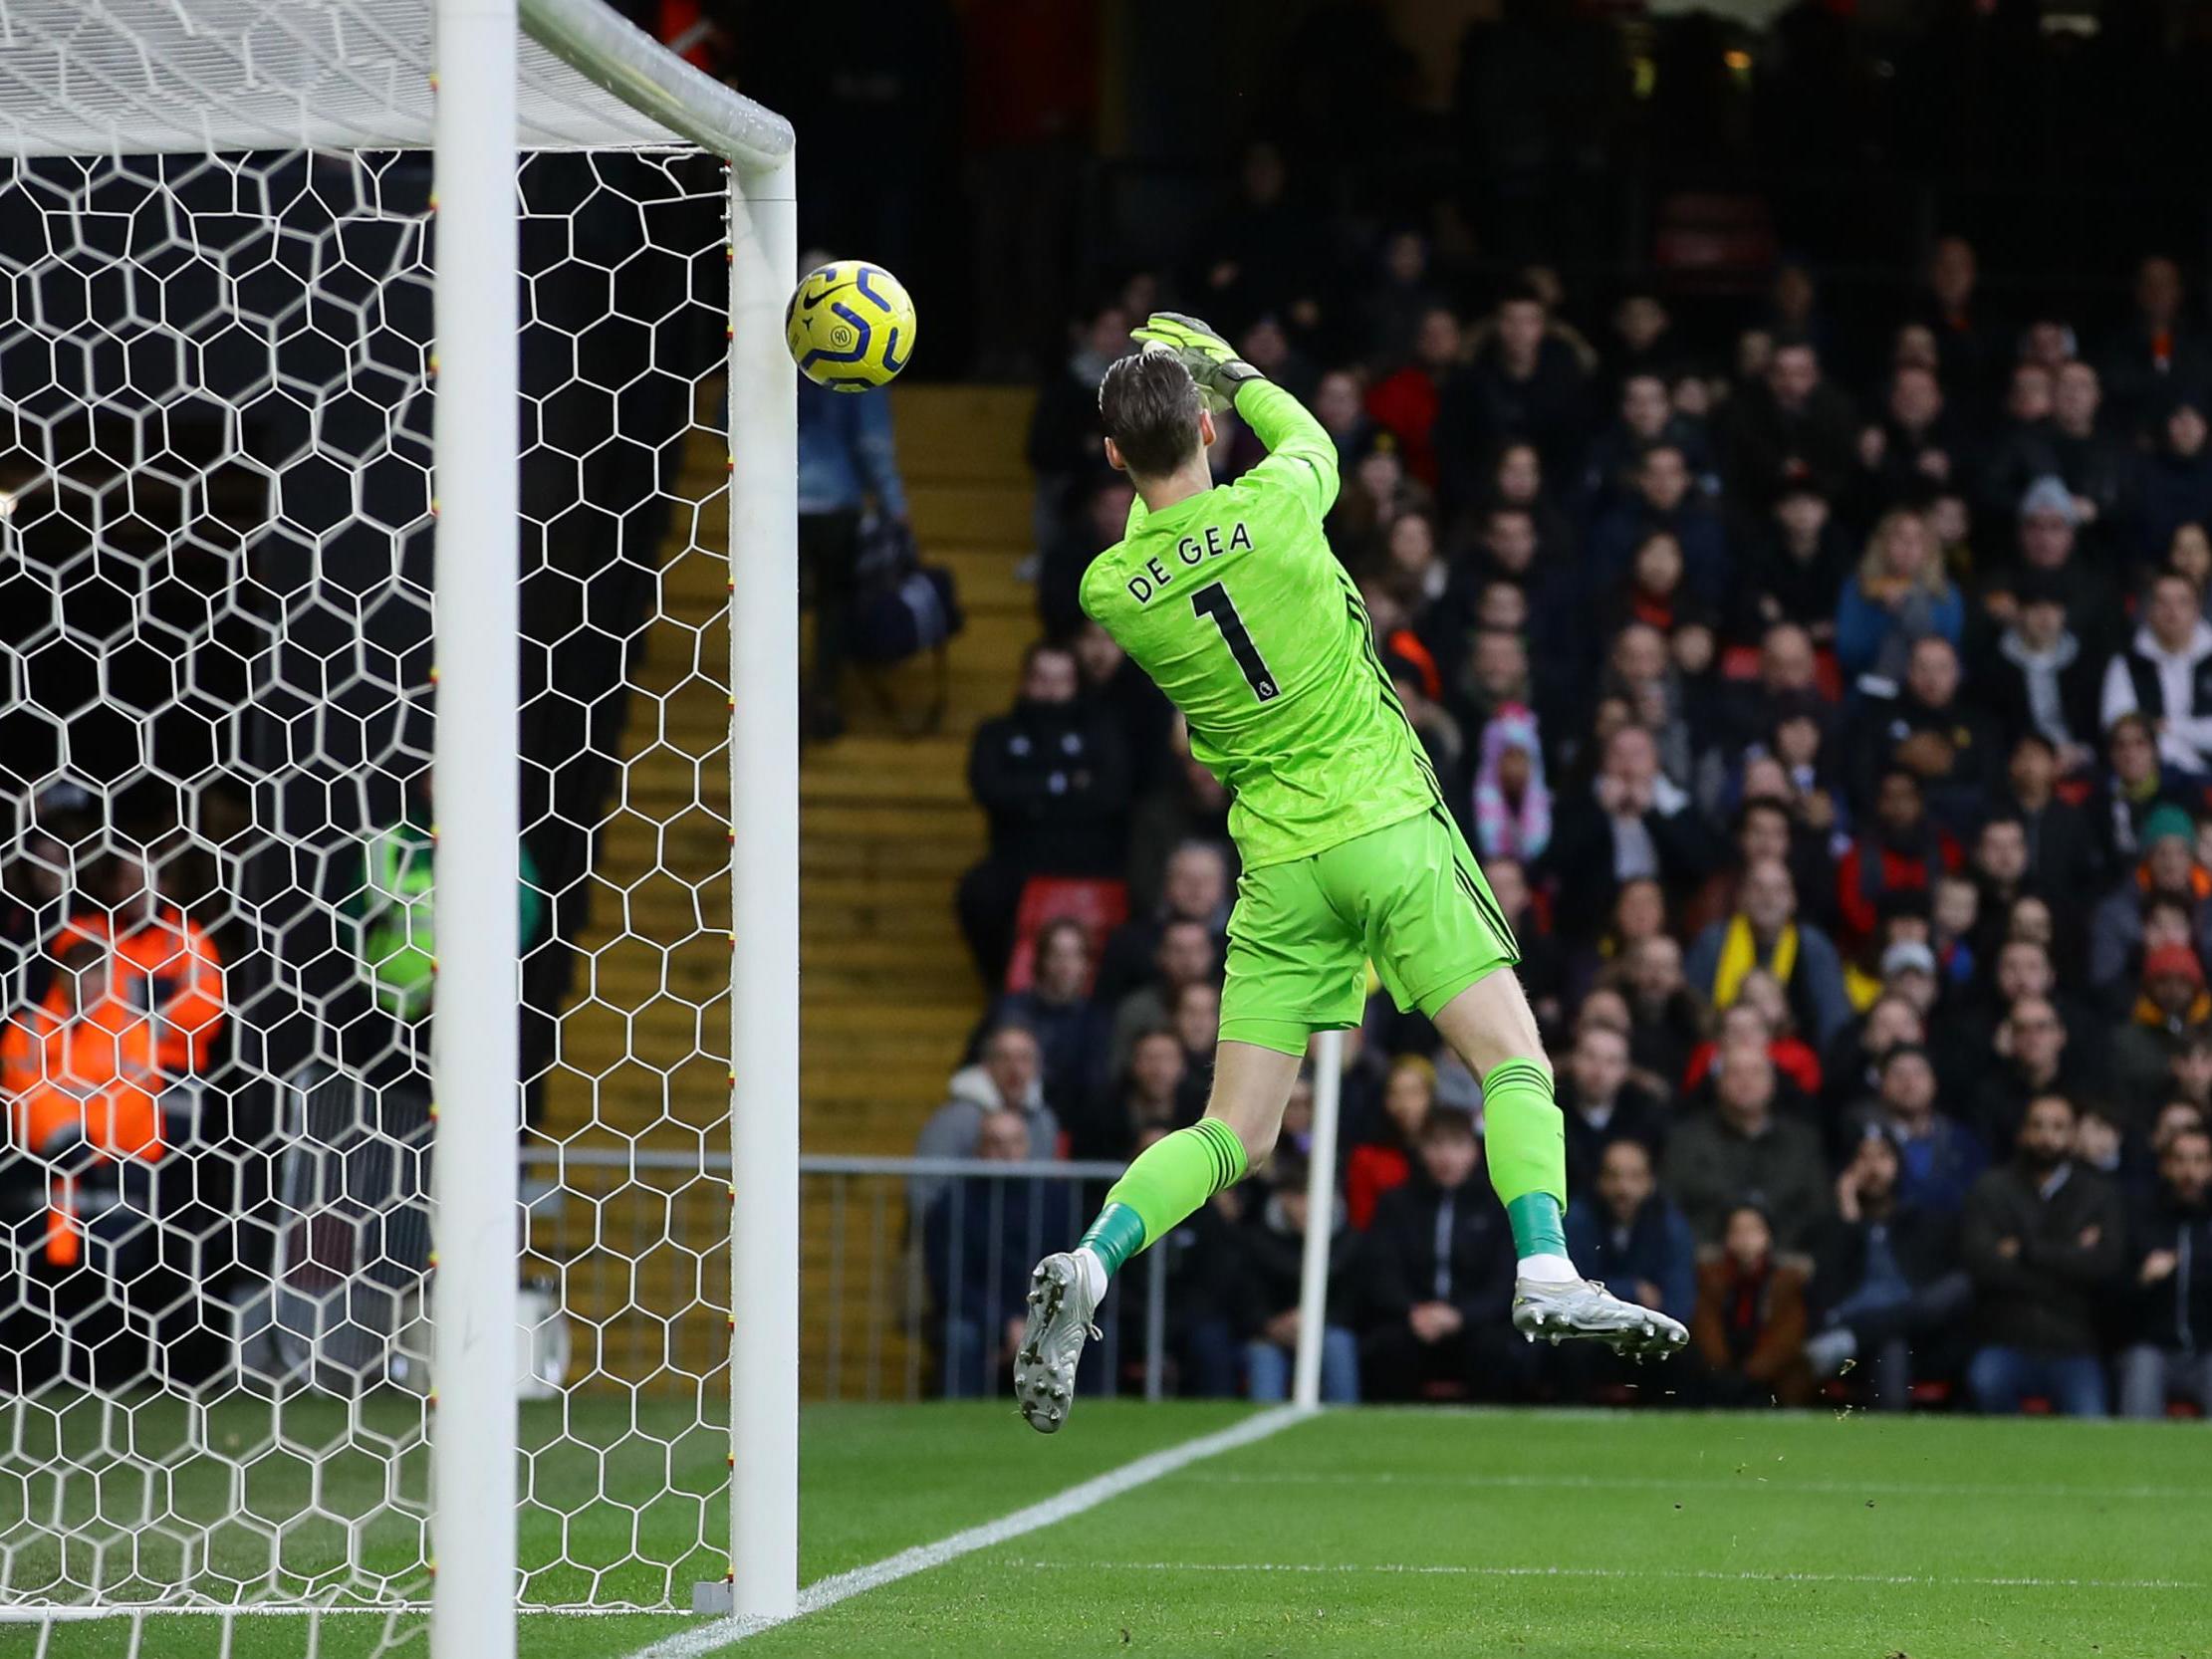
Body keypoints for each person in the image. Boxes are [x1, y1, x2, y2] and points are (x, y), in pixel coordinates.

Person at [1014, 314, 1684, 1434]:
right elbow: (1308, 431)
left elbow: (1160, 500)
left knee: (1233, 1133)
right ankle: (1546, 1267)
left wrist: (1151, 422)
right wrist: (1229, 369)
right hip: (1385, 829)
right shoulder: (1281, 501)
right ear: (1207, 426)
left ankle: (1092, 1260)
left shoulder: (1110, 588)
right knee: (1514, 1060)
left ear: (1113, 459)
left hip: (1278, 867)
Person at [1354, 1106, 1533, 1402]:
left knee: (1495, 1349)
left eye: (1457, 1145)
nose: (1446, 1157)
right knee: (1388, 1348)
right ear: (1421, 1149)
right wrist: (1413, 1311)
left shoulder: (1496, 1207)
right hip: (1410, 1321)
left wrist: (1459, 1316)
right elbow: (1381, 1272)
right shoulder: (1395, 1205)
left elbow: (1504, 1283)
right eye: (1436, 1144)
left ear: (1474, 1151)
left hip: (1475, 1324)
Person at [1961, 1092, 2124, 1416]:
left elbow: (2106, 1266)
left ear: (2073, 1134)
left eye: (2058, 1127)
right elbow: (1981, 1265)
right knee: (1984, 1382)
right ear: (2022, 1132)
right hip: (2006, 1340)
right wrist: (2071, 1257)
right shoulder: (1991, 1188)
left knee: (2092, 1424)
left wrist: (2024, 1251)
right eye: (2037, 1126)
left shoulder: (2099, 1194)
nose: (2047, 1137)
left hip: (2074, 1347)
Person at [1803, 1132, 1971, 1409]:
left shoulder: (1925, 1223)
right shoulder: (1829, 1228)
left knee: (1960, 1286)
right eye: (1863, 1158)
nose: (1873, 1167)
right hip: (1853, 1340)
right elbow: (1826, 1287)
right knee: (1890, 1345)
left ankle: (1857, 1337)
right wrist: (1848, 1216)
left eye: (1882, 1157)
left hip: (1914, 1339)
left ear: (1899, 1166)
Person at [796, 354, 907, 739]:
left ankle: (777, 701)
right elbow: (872, 442)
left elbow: (727, 419)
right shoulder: (862, 358)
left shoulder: (768, 354)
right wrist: (894, 506)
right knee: (834, 603)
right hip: (835, 504)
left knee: (777, 608)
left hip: (771, 506)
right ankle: (822, 696)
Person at [923, 1107, 1071, 1397]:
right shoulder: (952, 1205)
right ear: (979, 1148)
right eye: (996, 1142)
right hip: (980, 1318)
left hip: (1043, 1316)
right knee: (960, 1336)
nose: (1006, 1152)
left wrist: (1035, 1323)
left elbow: (1067, 1268)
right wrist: (1005, 1325)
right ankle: (957, 1424)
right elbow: (950, 1283)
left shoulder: (1055, 1202)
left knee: (1097, 1333)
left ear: (1027, 1146)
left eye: (1015, 1142)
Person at [1231, 1152, 1360, 1403]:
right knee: (1263, 1356)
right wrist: (1271, 1325)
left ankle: (1345, 1427)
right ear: (1280, 1198)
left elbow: (1355, 1304)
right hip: (1270, 1334)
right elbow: (1244, 1298)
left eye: (1314, 1194)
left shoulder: (1349, 1242)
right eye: (1297, 1196)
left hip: (1329, 1330)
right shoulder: (1256, 1241)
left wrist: (1316, 1322)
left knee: (1339, 1345)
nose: (1306, 1206)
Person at [2117, 1123, 2212, 1418]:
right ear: (2165, 1166)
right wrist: (2142, 1280)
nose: (2190, 1172)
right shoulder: (2139, 1220)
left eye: (2200, 1161)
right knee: (2141, 1366)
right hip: (2151, 1349)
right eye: (2181, 1160)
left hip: (2207, 1351)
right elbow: (2108, 1294)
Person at [1688, 1204, 1814, 1407]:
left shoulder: (1787, 1281)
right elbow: (1706, 1327)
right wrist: (1722, 1371)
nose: (1745, 1239)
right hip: (1722, 1369)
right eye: (1737, 1231)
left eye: (1753, 1231)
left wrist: (1751, 1374)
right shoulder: (1710, 1277)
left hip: (1767, 1375)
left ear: (1768, 1236)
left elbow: (1787, 1336)